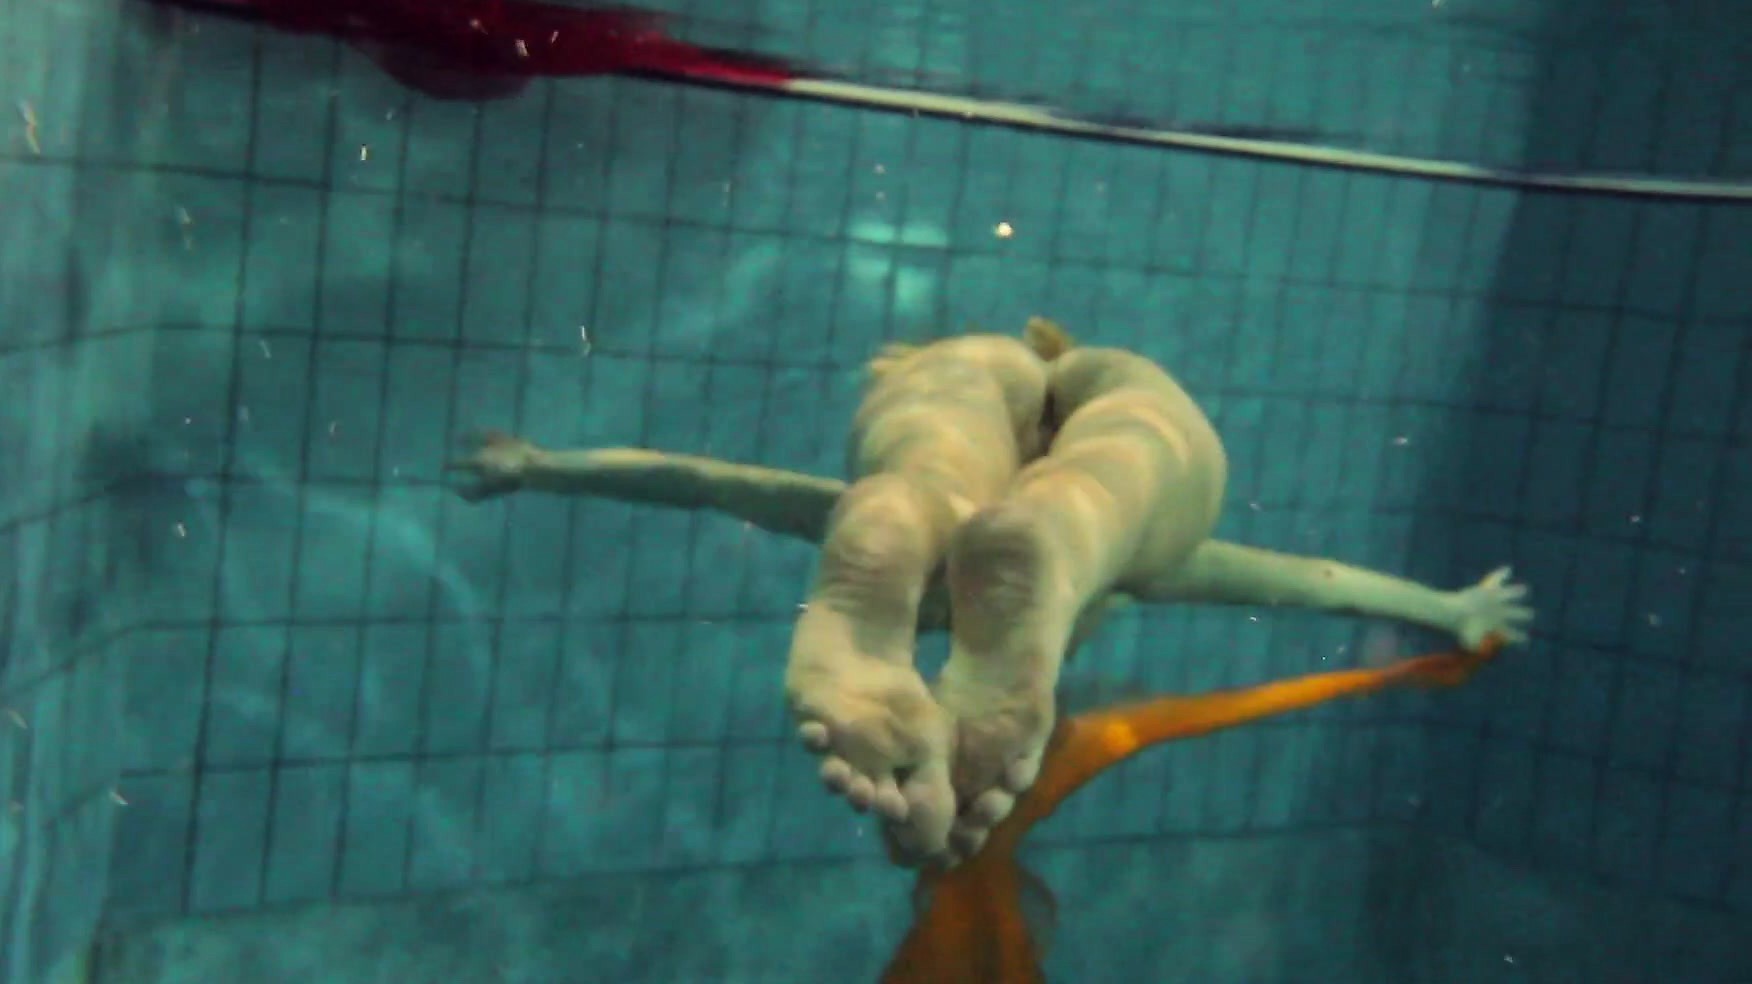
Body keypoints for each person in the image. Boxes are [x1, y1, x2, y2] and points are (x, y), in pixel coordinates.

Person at [448, 320, 1531, 865]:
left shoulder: (889, 528)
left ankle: (980, 480)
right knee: (1116, 471)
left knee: (931, 458)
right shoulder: (1148, 574)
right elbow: (1316, 586)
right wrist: (1447, 610)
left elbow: (695, 483)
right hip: (1090, 495)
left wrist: (544, 465)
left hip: (974, 422)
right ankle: (1058, 521)